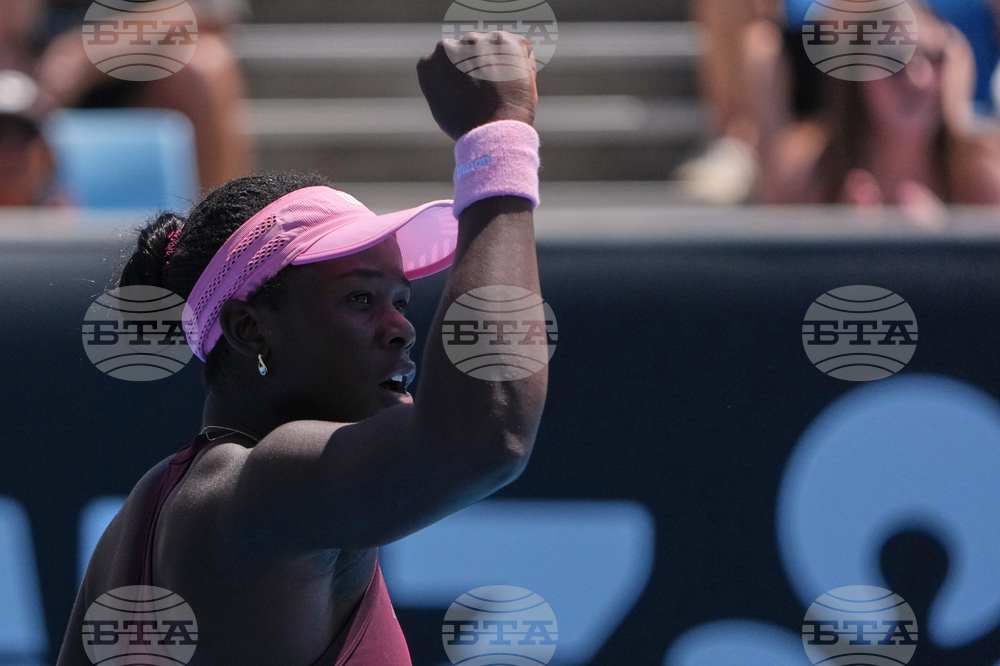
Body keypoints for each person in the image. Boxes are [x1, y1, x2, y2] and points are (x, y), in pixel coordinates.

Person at [55, 31, 546, 666]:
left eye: (402, 299)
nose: (402, 328)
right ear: (250, 329)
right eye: (361, 299)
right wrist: (499, 135)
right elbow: (488, 434)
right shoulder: (259, 484)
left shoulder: (140, 520)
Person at [752, 2, 1000, 217]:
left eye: (934, 57)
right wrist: (836, 246)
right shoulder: (805, 170)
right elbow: (771, 268)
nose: (918, 77)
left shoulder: (986, 173)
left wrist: (943, 245)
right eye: (893, 59)